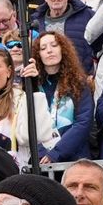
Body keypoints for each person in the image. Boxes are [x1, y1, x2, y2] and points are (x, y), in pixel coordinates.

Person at [23, 32, 93, 165]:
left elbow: (83, 122)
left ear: (63, 50)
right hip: (40, 158)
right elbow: (27, 122)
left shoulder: (78, 82)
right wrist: (41, 152)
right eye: (43, 48)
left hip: (74, 157)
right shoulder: (33, 84)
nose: (49, 51)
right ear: (38, 55)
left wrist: (56, 152)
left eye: (54, 45)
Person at [30, 0, 95, 73]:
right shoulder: (35, 21)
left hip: (81, 78)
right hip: (47, 80)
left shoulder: (88, 15)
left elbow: (99, 47)